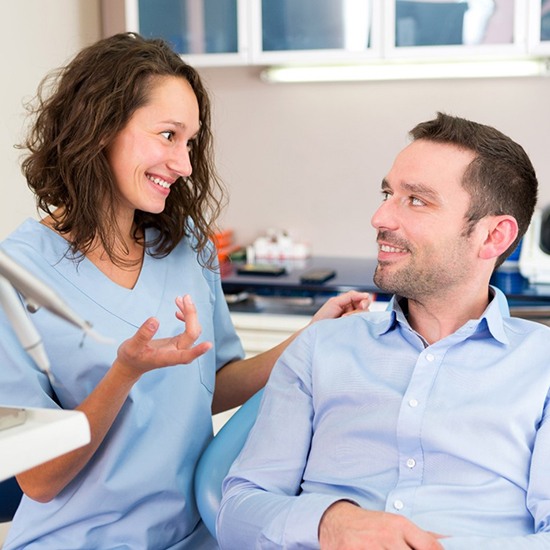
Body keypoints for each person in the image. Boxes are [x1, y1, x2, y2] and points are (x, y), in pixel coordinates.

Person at [0, 33, 371, 550]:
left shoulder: (184, 243)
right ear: (99, 128)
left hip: (196, 534)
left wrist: (308, 339)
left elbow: (209, 383)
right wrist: (125, 373)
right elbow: (38, 481)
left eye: (191, 142)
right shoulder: (14, 275)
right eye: (168, 135)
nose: (185, 165)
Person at [217, 113, 550, 549]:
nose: (379, 217)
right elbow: (237, 513)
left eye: (416, 200)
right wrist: (329, 524)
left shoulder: (542, 368)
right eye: (387, 193)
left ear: (491, 236)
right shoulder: (321, 347)